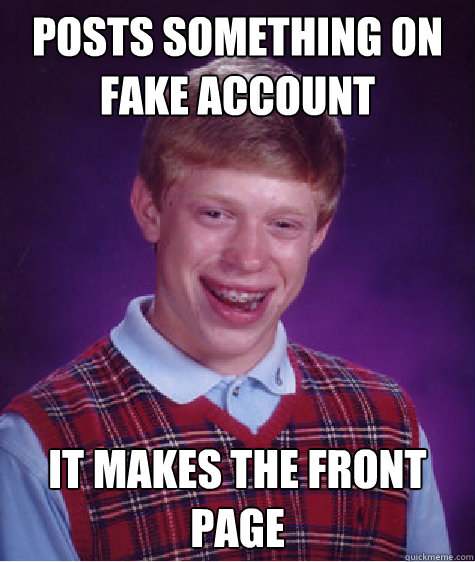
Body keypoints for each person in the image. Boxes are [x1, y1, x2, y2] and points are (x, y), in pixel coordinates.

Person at [0, 57, 450, 560]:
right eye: (215, 214)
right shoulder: (40, 448)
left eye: (283, 224)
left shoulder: (388, 426)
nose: (248, 258)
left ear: (318, 233)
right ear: (150, 210)